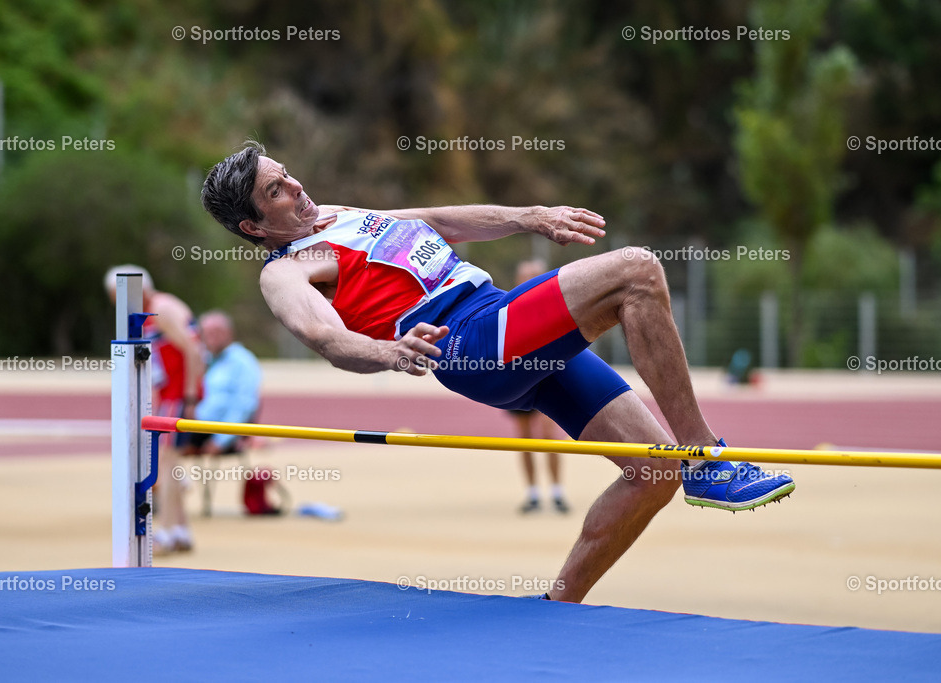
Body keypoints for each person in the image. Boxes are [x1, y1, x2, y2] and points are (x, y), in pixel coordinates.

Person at [200, 141, 795, 603]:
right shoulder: (287, 268)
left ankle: (559, 606)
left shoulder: (337, 217)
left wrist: (531, 216)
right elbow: (324, 337)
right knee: (637, 271)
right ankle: (704, 456)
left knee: (651, 473)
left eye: (286, 173)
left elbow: (436, 218)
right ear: (254, 226)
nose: (295, 186)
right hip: (470, 341)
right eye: (276, 190)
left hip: (499, 317)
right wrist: (391, 351)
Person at [105, 265, 204, 554]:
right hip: (171, 393)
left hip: (178, 393)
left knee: (167, 464)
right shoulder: (153, 309)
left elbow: (193, 351)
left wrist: (189, 398)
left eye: (118, 296)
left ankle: (169, 530)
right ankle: (181, 531)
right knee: (168, 463)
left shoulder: (161, 308)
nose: (116, 304)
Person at [507, 260, 569, 515]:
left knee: (548, 434)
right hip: (519, 379)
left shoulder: (552, 307)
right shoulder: (509, 307)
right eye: (524, 277)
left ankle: (556, 491)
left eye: (533, 277)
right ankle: (532, 492)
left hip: (546, 376)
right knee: (524, 438)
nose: (527, 282)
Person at [185, 310, 262, 456]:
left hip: (217, 431)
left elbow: (245, 406)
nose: (210, 337)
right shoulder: (205, 359)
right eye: (206, 333)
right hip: (196, 426)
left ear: (229, 333)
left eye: (216, 332)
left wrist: (220, 441)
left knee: (164, 445)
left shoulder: (243, 361)